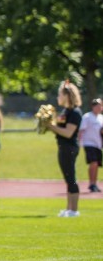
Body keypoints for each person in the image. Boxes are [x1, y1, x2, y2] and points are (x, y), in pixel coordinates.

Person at [47, 81, 83, 216]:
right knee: (68, 178)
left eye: (60, 94)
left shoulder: (75, 112)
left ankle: (74, 210)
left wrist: (50, 126)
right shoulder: (66, 111)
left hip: (70, 147)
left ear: (67, 95)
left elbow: (68, 133)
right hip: (63, 146)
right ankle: (69, 209)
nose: (58, 97)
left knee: (71, 177)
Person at [78, 98, 102, 193]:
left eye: (100, 105)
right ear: (93, 106)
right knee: (93, 163)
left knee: (97, 164)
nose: (99, 107)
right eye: (97, 106)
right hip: (89, 143)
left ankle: (94, 183)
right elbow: (81, 130)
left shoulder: (101, 118)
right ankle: (91, 183)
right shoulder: (87, 117)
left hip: (98, 144)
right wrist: (79, 143)